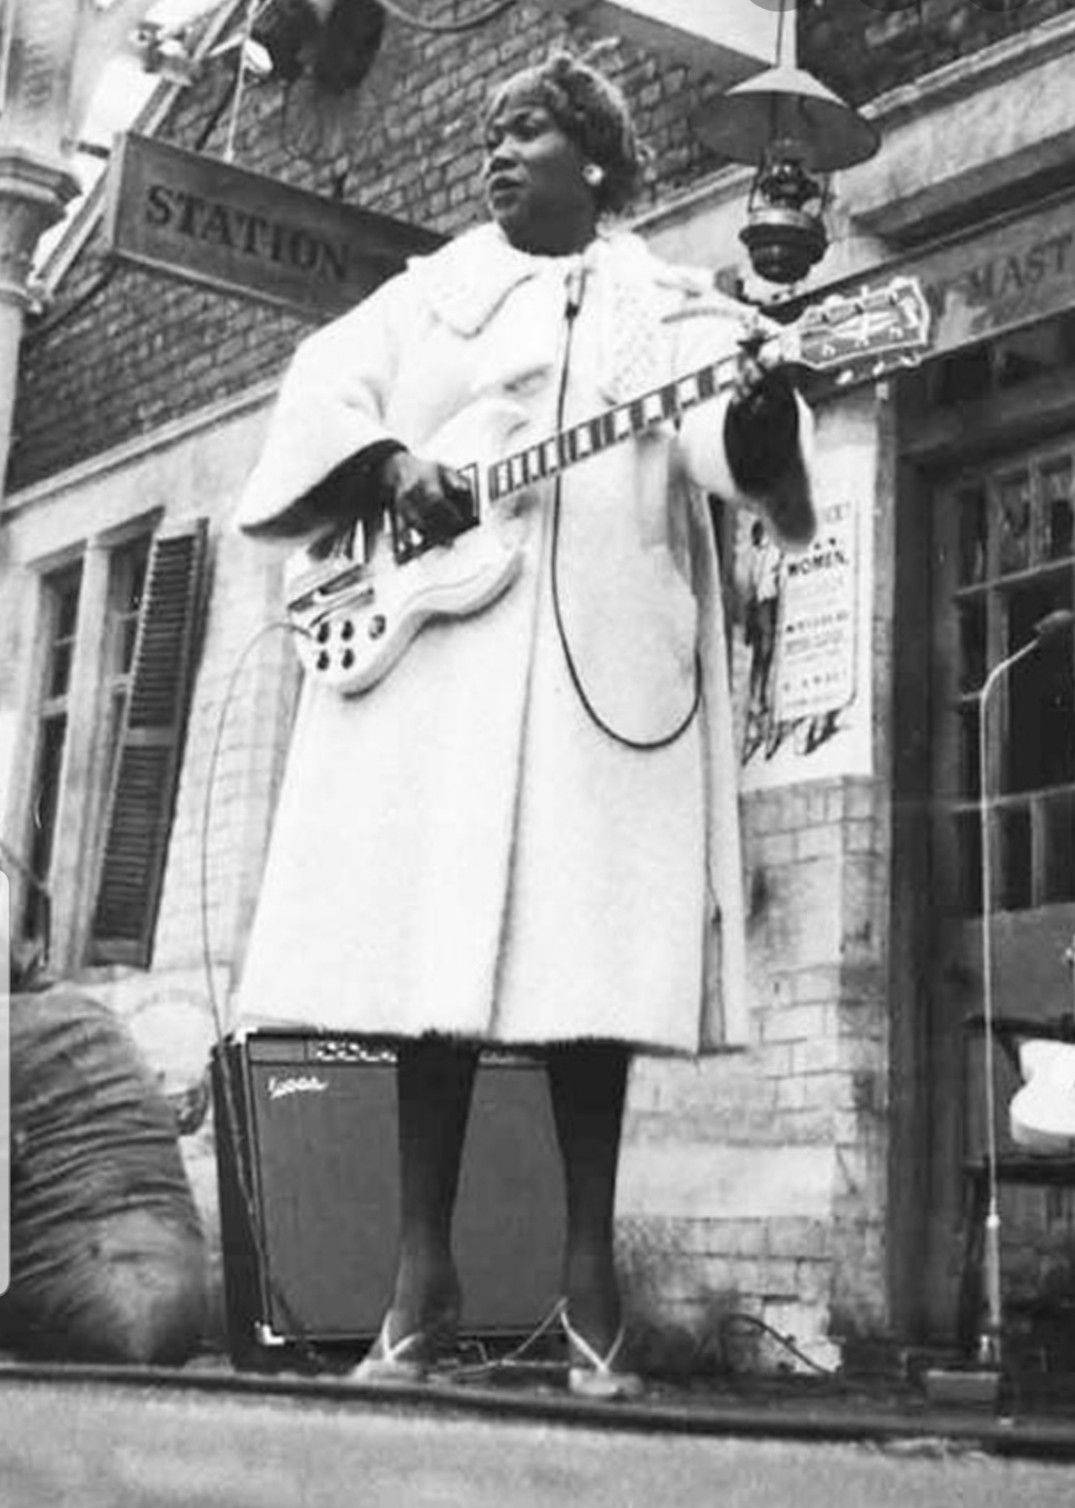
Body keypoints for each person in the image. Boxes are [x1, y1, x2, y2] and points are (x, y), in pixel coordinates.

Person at [233, 51, 815, 1396]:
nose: (500, 150)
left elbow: (733, 452)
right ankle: (417, 1278)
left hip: (591, 677)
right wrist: (393, 466)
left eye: (531, 131)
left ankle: (586, 1283)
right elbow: (323, 391)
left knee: (585, 976)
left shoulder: (662, 308)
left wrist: (765, 406)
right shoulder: (428, 300)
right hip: (444, 672)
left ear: (599, 164)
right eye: (494, 131)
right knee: (422, 988)